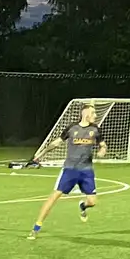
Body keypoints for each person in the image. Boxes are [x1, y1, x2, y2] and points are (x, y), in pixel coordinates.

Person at [30, 102, 105, 238]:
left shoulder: (95, 129)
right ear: (85, 114)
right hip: (70, 169)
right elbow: (56, 143)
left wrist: (102, 151)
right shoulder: (72, 128)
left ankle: (83, 206)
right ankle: (36, 227)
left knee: (92, 202)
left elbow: (103, 145)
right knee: (54, 197)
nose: (95, 115)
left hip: (86, 171)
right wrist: (41, 154)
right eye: (93, 113)